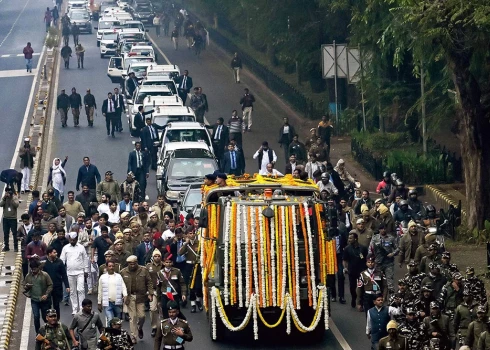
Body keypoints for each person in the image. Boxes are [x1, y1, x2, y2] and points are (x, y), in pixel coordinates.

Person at [120, 255, 154, 344]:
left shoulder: (143, 270)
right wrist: (122, 296)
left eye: (134, 263)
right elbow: (119, 285)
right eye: (130, 264)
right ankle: (133, 336)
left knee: (142, 316)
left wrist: (150, 293)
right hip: (129, 296)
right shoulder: (123, 272)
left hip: (140, 296)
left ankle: (139, 327)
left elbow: (149, 282)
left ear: (137, 262)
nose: (132, 265)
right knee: (133, 317)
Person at [60, 231, 88, 315]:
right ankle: (75, 309)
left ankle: (82, 308)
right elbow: (62, 260)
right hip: (69, 273)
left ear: (76, 239)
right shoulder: (65, 248)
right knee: (72, 291)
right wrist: (62, 272)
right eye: (70, 240)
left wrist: (86, 270)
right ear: (69, 239)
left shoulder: (81, 247)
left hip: (80, 272)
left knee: (81, 290)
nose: (72, 241)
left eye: (73, 240)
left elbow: (85, 259)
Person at [23, 259, 53, 333]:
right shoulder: (28, 276)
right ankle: (38, 333)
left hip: (44, 300)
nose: (33, 270)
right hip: (34, 300)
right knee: (36, 317)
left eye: (35, 269)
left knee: (45, 317)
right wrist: (27, 287)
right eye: (32, 269)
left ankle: (48, 332)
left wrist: (46, 294)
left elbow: (50, 285)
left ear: (38, 268)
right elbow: (24, 286)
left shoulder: (45, 275)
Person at [368, 223, 399, 293]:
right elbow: (370, 248)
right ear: (379, 230)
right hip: (378, 262)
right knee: (376, 280)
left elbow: (398, 248)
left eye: (385, 228)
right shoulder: (375, 238)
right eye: (382, 229)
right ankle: (376, 294)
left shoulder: (391, 238)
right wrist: (370, 258)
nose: (383, 230)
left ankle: (391, 297)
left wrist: (392, 254)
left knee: (389, 281)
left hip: (388, 263)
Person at [97, 259, 127, 325]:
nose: (111, 268)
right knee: (110, 319)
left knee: (117, 321)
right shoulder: (102, 277)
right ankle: (108, 335)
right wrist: (99, 302)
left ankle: (116, 334)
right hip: (108, 303)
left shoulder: (119, 277)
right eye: (110, 266)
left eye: (113, 266)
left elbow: (123, 287)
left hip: (117, 303)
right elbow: (100, 290)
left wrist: (125, 295)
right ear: (107, 267)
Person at [343, 232, 368, 308]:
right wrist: (345, 267)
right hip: (352, 271)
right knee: (352, 287)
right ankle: (354, 298)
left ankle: (361, 301)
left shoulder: (363, 248)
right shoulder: (347, 249)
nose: (349, 240)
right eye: (349, 238)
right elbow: (345, 260)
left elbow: (366, 258)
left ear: (355, 239)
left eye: (351, 238)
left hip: (361, 271)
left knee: (362, 286)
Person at [146, 249, 163, 336]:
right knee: (153, 309)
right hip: (153, 291)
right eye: (155, 256)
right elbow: (146, 279)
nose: (157, 258)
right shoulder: (148, 266)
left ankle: (164, 327)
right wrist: (148, 292)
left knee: (162, 309)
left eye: (158, 256)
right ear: (152, 257)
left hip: (163, 291)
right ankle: (154, 327)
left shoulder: (164, 265)